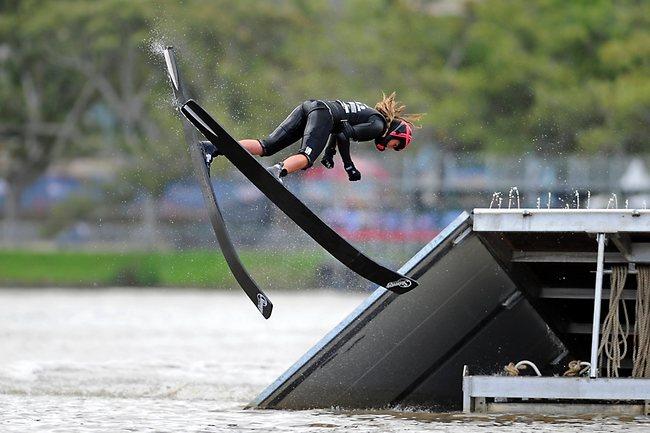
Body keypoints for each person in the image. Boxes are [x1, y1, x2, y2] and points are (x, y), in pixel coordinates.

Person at [200, 92, 422, 183]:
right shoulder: (377, 125)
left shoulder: (373, 118)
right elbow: (343, 133)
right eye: (397, 145)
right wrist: (348, 166)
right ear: (396, 134)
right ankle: (275, 172)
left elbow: (340, 128)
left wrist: (330, 152)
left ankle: (213, 147)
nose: (392, 148)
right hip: (323, 114)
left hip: (314, 108)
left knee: (267, 145)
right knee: (306, 158)